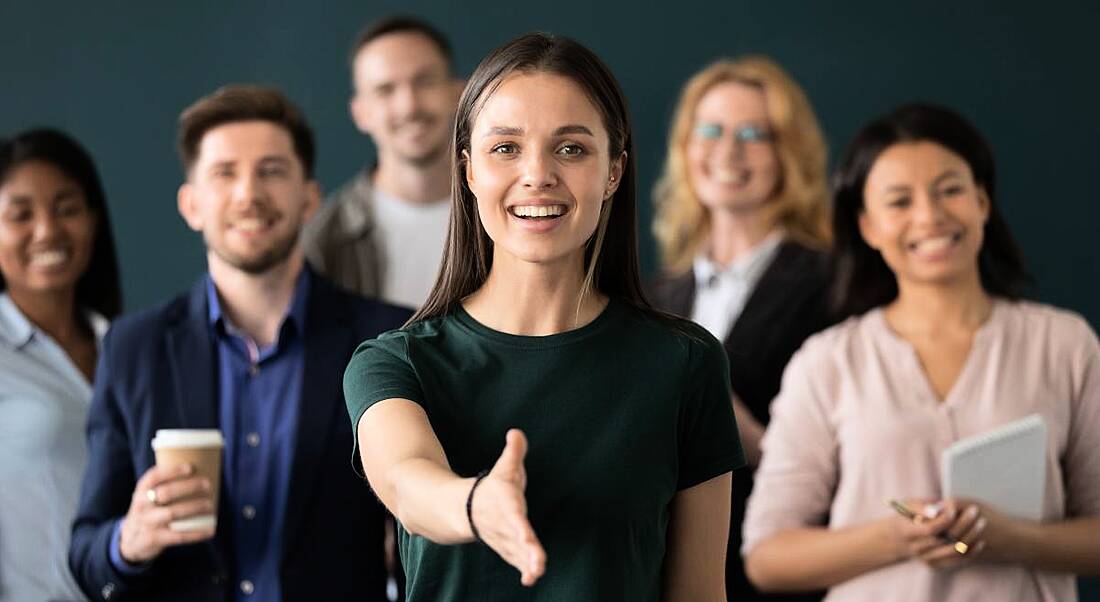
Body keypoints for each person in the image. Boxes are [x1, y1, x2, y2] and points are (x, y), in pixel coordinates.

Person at [343, 33, 743, 601]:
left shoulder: (685, 363)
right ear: (469, 170)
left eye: (572, 148)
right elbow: (408, 485)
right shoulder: (395, 361)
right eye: (505, 148)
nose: (537, 174)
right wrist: (477, 506)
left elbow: (700, 593)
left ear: (613, 171)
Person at [742, 104, 1100, 601]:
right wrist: (893, 538)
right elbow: (766, 557)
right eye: (899, 201)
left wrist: (1013, 538)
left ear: (981, 201)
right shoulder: (827, 361)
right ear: (867, 226)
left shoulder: (1065, 344)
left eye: (950, 190)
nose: (929, 216)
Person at [68, 85, 411, 601]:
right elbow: (86, 551)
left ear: (309, 199)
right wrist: (129, 540)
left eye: (271, 170)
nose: (248, 194)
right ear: (192, 204)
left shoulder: (387, 339)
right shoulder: (133, 348)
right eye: (224, 173)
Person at [648, 56, 832, 601]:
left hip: (773, 577)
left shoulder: (836, 284)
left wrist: (751, 437)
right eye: (711, 131)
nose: (728, 152)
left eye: (755, 134)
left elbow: (865, 471)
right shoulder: (657, 294)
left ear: (788, 154)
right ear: (686, 146)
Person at [0, 128, 122, 602]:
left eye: (67, 208)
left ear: (93, 220)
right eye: (20, 214)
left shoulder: (128, 347)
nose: (47, 230)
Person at [302, 15, 463, 309]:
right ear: (360, 113)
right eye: (385, 90)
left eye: (424, 81)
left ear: (458, 94)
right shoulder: (324, 241)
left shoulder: (507, 213)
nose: (409, 106)